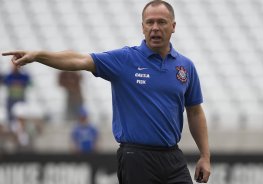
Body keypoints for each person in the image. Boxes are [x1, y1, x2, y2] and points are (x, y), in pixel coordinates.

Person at [1, 0, 211, 183]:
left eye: (161, 22)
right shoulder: (125, 60)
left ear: (173, 26)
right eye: (150, 22)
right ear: (142, 27)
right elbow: (78, 59)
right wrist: (39, 55)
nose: (155, 27)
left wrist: (205, 155)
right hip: (136, 157)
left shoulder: (185, 67)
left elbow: (194, 111)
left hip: (173, 156)